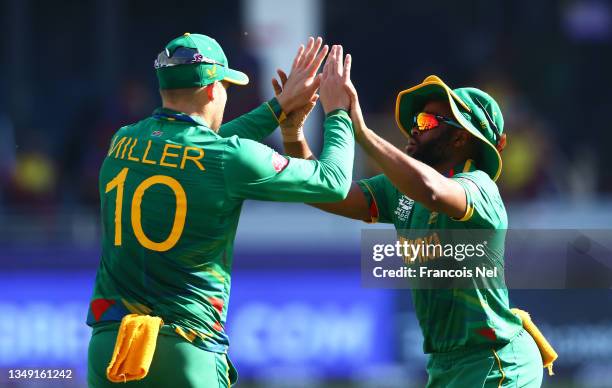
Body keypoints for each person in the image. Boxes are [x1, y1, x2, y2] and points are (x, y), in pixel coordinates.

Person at [86, 33, 355, 387]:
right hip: (183, 350)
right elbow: (333, 182)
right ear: (213, 90)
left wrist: (278, 108)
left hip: (111, 349)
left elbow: (205, 152)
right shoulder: (226, 159)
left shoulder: (123, 140)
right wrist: (339, 113)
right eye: (227, 87)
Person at [277, 70, 546, 387]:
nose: (414, 128)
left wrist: (361, 131)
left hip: (495, 360)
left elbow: (432, 190)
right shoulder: (402, 191)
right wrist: (293, 132)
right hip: (445, 365)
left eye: (428, 122)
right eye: (418, 119)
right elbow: (326, 191)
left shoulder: (479, 189)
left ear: (460, 138)